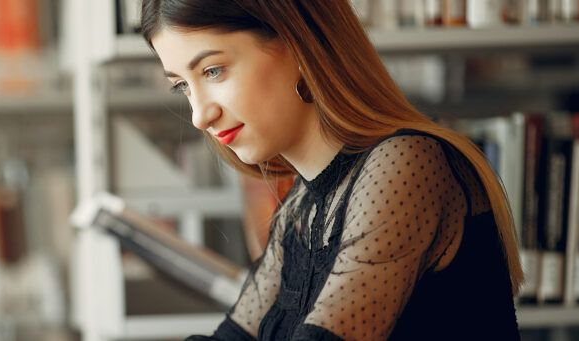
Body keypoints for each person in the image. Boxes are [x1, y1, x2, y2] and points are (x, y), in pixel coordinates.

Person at [140, 1, 523, 340]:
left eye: (212, 71)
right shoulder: (303, 207)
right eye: (182, 87)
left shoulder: (407, 162)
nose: (199, 115)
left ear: (299, 44)